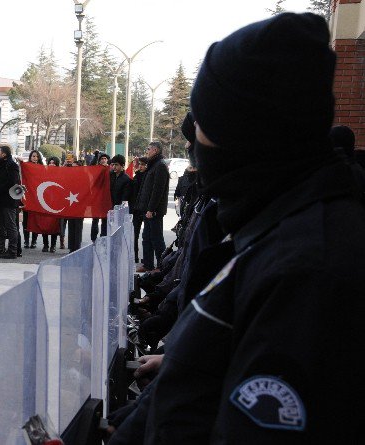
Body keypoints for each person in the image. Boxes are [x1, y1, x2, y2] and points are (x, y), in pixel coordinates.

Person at [128, 13, 365, 444]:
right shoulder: (272, 223)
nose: (195, 144)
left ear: (240, 129)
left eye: (202, 125)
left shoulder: (308, 266)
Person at [135, 142, 169, 272]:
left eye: (148, 149)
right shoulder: (153, 165)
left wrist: (151, 209)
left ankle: (162, 266)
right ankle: (148, 264)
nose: (147, 151)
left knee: (157, 239)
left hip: (153, 211)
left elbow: (157, 190)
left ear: (155, 150)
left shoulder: (160, 166)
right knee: (146, 238)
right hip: (147, 209)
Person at [0, 145, 21, 259]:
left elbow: (13, 182)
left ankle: (12, 250)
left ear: (4, 154)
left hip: (9, 201)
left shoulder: (11, 165)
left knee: (10, 226)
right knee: (0, 226)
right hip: (0, 200)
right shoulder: (1, 165)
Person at [22, 149, 43, 249]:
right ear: (30, 157)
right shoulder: (27, 167)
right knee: (26, 220)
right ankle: (26, 240)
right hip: (28, 197)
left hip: (38, 198)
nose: (35, 158)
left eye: (36, 156)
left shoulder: (42, 168)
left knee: (35, 220)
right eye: (33, 156)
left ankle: (34, 241)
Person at [129, 157, 149, 263]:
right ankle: (134, 256)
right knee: (134, 235)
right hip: (136, 210)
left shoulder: (149, 176)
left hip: (146, 209)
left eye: (143, 164)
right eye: (140, 164)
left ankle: (147, 259)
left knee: (147, 236)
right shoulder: (136, 177)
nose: (141, 166)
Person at [90, 153, 111, 242]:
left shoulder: (110, 169)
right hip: (96, 198)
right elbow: (90, 167)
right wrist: (95, 157)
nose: (103, 160)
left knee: (105, 220)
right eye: (102, 158)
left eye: (105, 158)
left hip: (105, 198)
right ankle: (94, 239)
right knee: (95, 220)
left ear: (107, 160)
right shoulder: (96, 169)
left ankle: (103, 238)